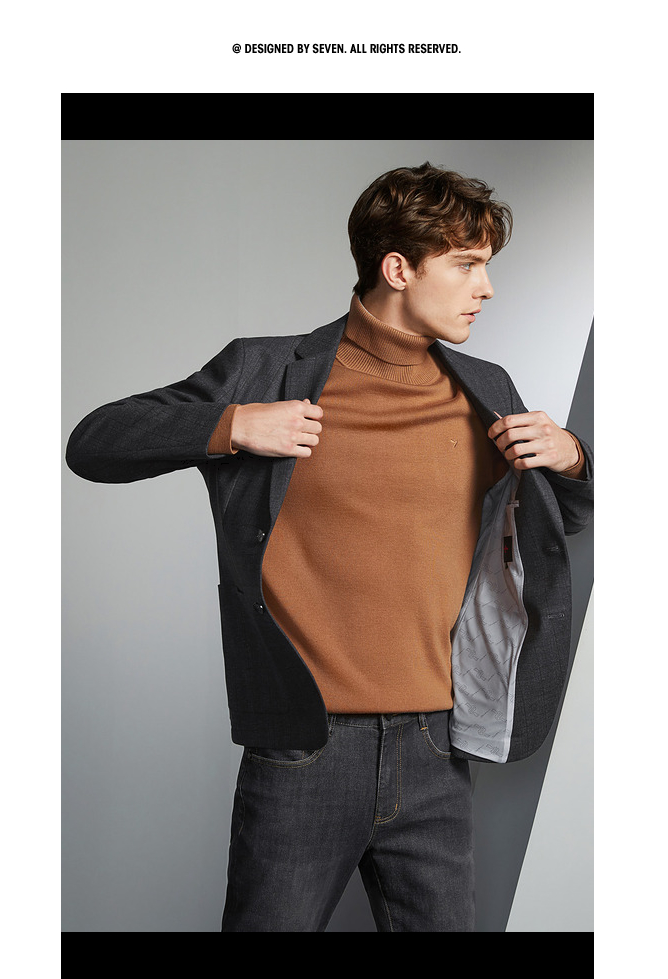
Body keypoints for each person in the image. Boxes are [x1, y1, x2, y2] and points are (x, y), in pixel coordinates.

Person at [66, 162, 594, 932]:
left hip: (437, 748)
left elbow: (556, 526)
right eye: (466, 265)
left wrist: (573, 456)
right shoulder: (266, 370)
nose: (486, 288)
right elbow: (94, 443)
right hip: (304, 753)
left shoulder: (487, 388)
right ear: (398, 269)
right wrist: (232, 424)